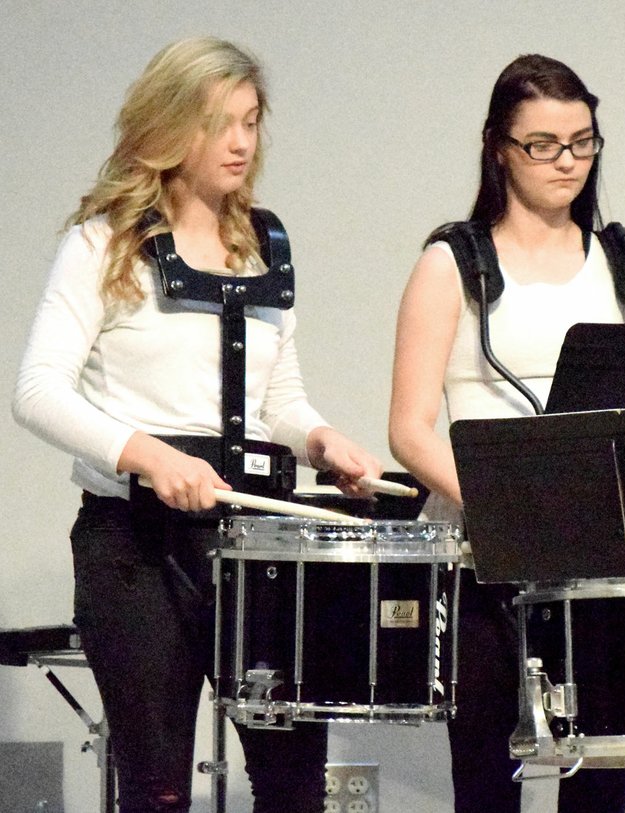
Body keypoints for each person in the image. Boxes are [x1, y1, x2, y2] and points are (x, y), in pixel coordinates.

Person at [13, 37, 383, 813]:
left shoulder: (263, 248)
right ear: (169, 125)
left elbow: (276, 402)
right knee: (156, 791)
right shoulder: (103, 242)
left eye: (251, 121)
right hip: (135, 547)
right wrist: (146, 454)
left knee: (293, 788)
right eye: (221, 123)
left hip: (254, 547)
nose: (242, 142)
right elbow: (37, 391)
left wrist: (318, 439)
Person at [389, 54, 625, 813]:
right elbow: (411, 430)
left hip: (600, 565)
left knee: (601, 782)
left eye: (582, 141)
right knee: (488, 782)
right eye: (542, 143)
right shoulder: (453, 263)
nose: (567, 161)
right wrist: (509, 511)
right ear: (498, 148)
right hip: (487, 562)